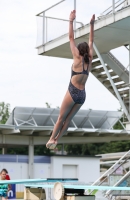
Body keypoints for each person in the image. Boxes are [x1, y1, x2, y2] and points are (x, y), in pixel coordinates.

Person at [46, 10, 95, 149]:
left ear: (79, 50)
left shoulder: (77, 57)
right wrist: (91, 25)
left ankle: (51, 139)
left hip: (73, 91)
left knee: (61, 118)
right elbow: (91, 40)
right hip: (82, 95)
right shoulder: (89, 60)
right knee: (68, 120)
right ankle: (57, 140)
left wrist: (70, 20)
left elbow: (71, 37)